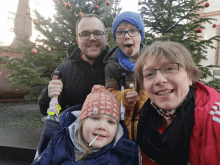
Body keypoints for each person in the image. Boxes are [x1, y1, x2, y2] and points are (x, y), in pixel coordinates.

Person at [135, 41, 220, 165]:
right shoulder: (146, 120)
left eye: (169, 68)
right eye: (149, 74)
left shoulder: (215, 119)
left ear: (190, 76)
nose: (159, 80)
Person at [32, 85, 139, 165]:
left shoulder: (123, 154)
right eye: (95, 118)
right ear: (81, 121)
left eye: (111, 122)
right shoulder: (60, 141)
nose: (102, 126)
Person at [38, 14, 109, 116]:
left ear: (106, 39)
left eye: (97, 33)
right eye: (84, 34)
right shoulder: (64, 70)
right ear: (77, 41)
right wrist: (49, 96)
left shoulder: (117, 66)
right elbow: (47, 110)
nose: (92, 38)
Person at [104, 11, 148, 141]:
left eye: (133, 30)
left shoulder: (151, 61)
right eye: (120, 32)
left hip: (147, 124)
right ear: (115, 38)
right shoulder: (112, 64)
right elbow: (109, 92)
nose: (127, 36)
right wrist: (123, 97)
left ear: (141, 35)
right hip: (122, 125)